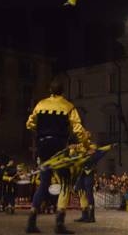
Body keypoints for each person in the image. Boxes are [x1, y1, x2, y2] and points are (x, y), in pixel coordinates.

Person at [25, 80, 90, 234]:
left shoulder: (40, 104)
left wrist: (41, 130)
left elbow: (29, 124)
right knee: (65, 182)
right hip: (58, 146)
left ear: (50, 90)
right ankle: (59, 223)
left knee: (44, 182)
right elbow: (78, 128)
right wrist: (85, 144)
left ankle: (31, 222)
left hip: (42, 145)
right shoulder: (68, 106)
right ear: (63, 91)